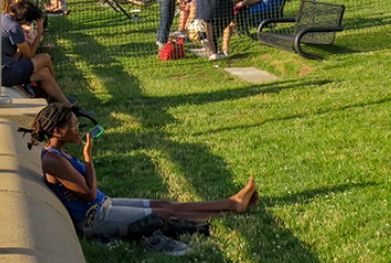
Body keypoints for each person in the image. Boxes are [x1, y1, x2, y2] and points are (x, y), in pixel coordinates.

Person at [21, 104, 260, 250]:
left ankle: (231, 204)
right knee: (164, 214)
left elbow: (90, 192)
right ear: (55, 131)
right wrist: (87, 156)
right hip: (96, 219)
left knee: (167, 205)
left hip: (104, 204)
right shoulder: (52, 160)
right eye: (72, 126)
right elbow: (89, 192)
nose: (77, 129)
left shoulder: (57, 153)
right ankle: (230, 206)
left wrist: (85, 158)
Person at [0, 0, 73, 106]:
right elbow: (30, 54)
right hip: (4, 74)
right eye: (28, 21)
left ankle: (63, 102)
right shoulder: (14, 27)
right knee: (45, 58)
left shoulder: (1, 18)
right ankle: (60, 93)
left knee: (44, 73)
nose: (26, 24)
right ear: (23, 18)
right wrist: (39, 33)